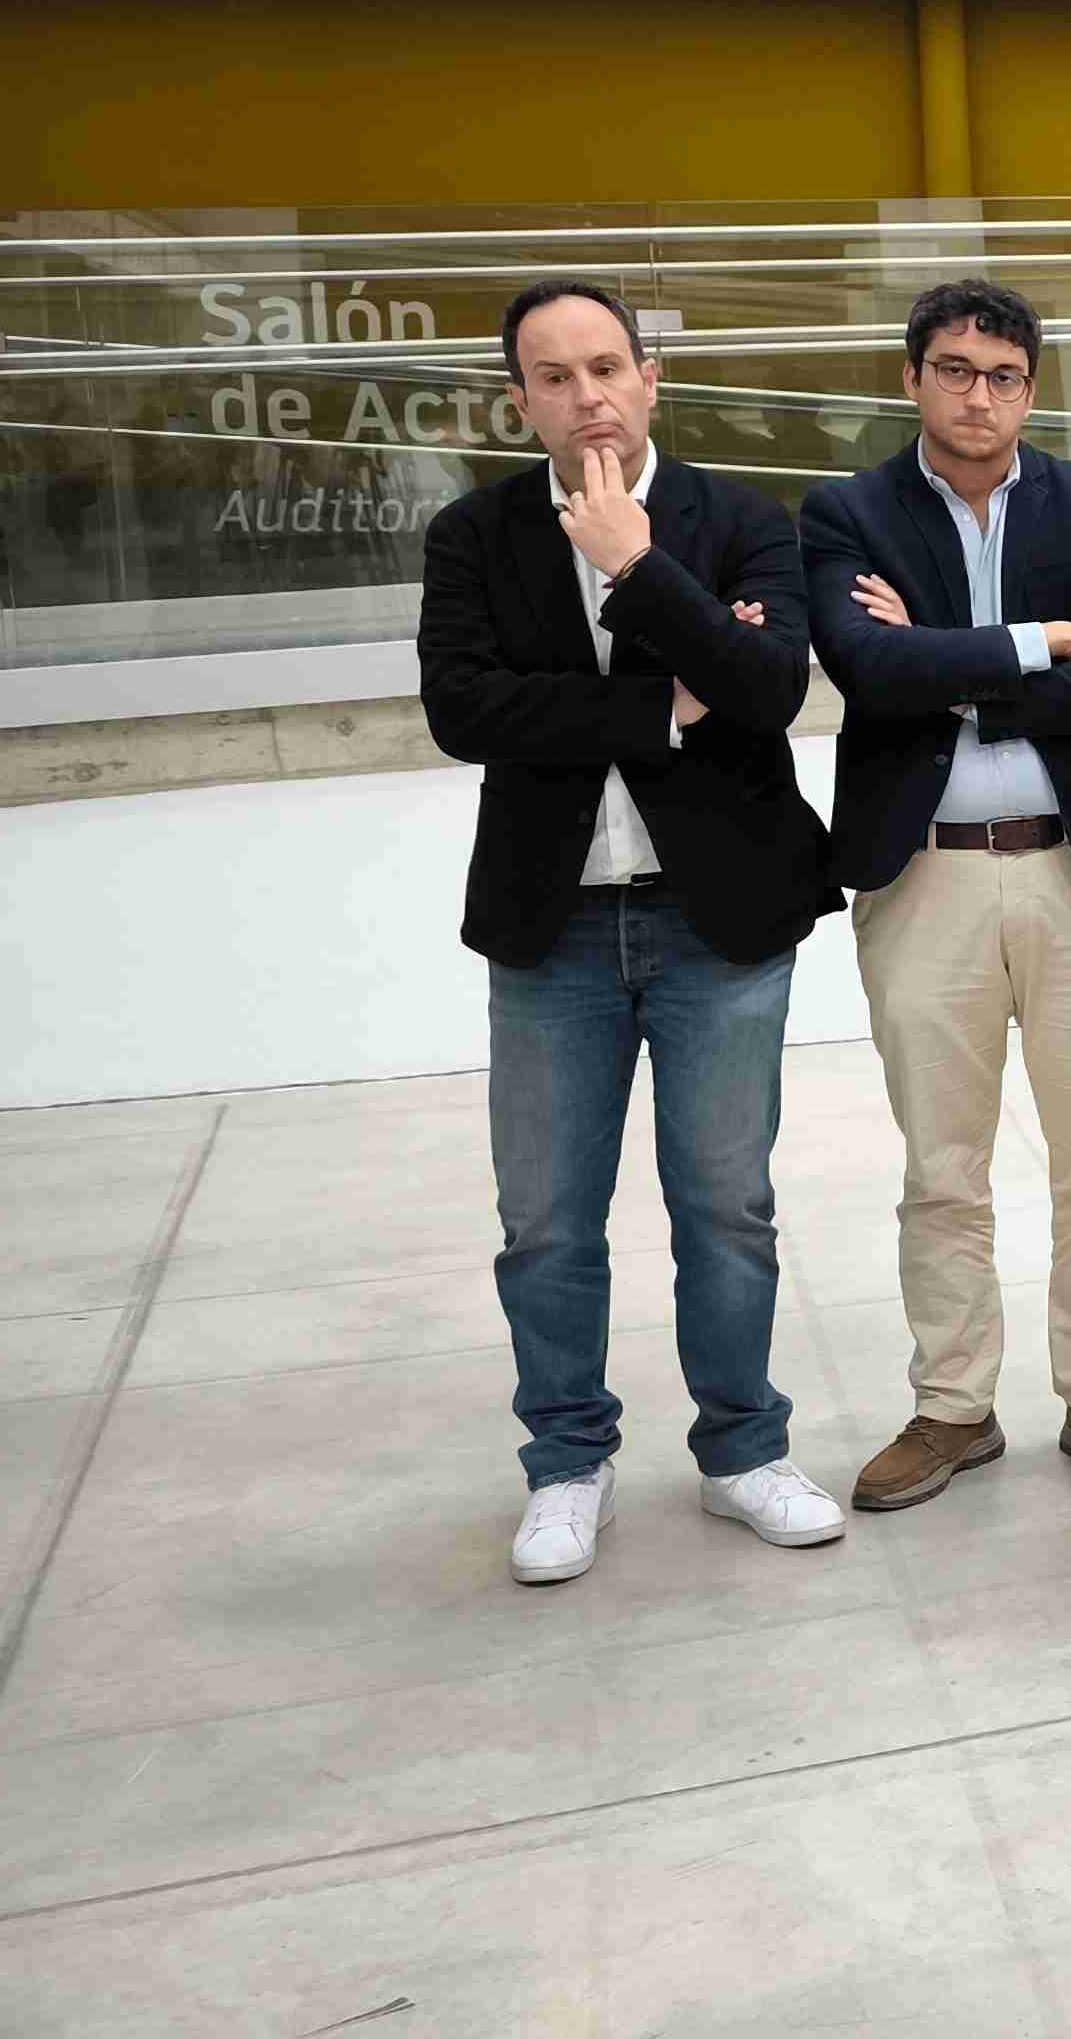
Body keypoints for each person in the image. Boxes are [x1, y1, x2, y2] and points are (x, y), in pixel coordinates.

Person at [417, 277, 846, 1584]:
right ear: (520, 401)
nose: (586, 396)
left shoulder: (742, 520)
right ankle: (566, 1464)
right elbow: (466, 711)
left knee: (726, 1211)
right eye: (554, 377)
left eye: (606, 367)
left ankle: (742, 1452)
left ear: (649, 379)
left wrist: (636, 567)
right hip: (552, 932)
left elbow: (766, 690)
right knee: (547, 1222)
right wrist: (665, 705)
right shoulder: (474, 534)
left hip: (718, 927)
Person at [802, 280, 1071, 1513]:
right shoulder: (847, 511)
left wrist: (942, 661)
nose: (978, 395)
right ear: (912, 379)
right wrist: (1038, 640)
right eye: (954, 369)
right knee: (942, 1163)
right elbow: (864, 667)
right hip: (925, 874)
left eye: (1003, 375)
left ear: (1030, 390)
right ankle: (953, 1406)